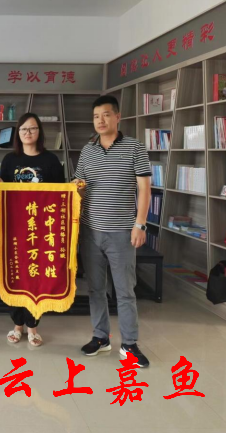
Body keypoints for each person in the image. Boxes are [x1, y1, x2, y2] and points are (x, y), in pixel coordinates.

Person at [73, 95, 152, 368]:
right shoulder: (87, 150)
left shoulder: (134, 147)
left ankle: (129, 344)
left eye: (106, 115)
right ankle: (100, 337)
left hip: (122, 232)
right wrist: (74, 187)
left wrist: (140, 224)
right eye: (96, 116)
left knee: (124, 290)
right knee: (95, 289)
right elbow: (79, 186)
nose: (100, 120)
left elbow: (144, 188)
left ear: (118, 117)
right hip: (90, 231)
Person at [0, 113, 64, 347]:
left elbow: (61, 194)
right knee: (15, 274)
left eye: (32, 128)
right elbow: (2, 192)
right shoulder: (9, 160)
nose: (28, 133)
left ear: (39, 132)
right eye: (24, 129)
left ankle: (33, 326)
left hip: (41, 228)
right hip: (15, 227)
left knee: (36, 276)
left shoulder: (51, 160)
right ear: (18, 133)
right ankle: (17, 325)